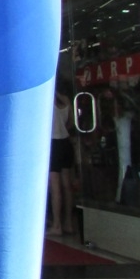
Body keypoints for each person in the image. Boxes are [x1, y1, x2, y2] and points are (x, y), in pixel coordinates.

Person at [48, 86, 76, 236]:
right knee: (66, 185)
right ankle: (68, 223)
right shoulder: (66, 101)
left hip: (53, 143)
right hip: (66, 143)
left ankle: (57, 224)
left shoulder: (47, 100)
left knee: (55, 186)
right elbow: (70, 124)